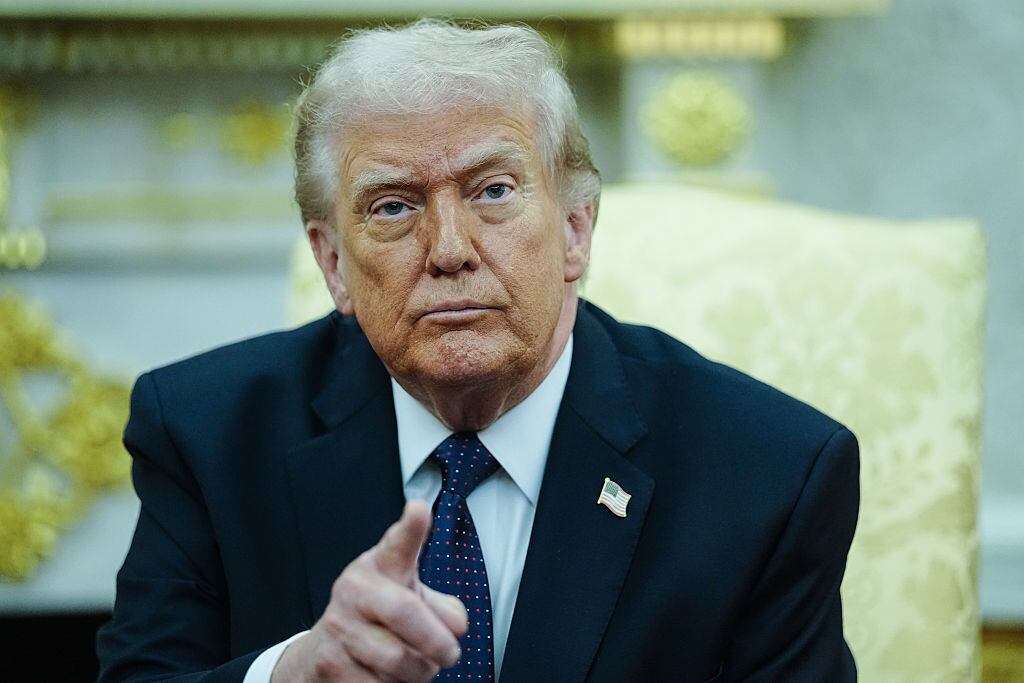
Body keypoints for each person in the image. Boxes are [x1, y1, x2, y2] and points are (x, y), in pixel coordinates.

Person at [96, 19, 860, 683]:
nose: (450, 250)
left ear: (575, 229)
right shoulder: (206, 435)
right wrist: (297, 670)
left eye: (493, 190)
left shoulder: (766, 473)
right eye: (394, 206)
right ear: (333, 263)